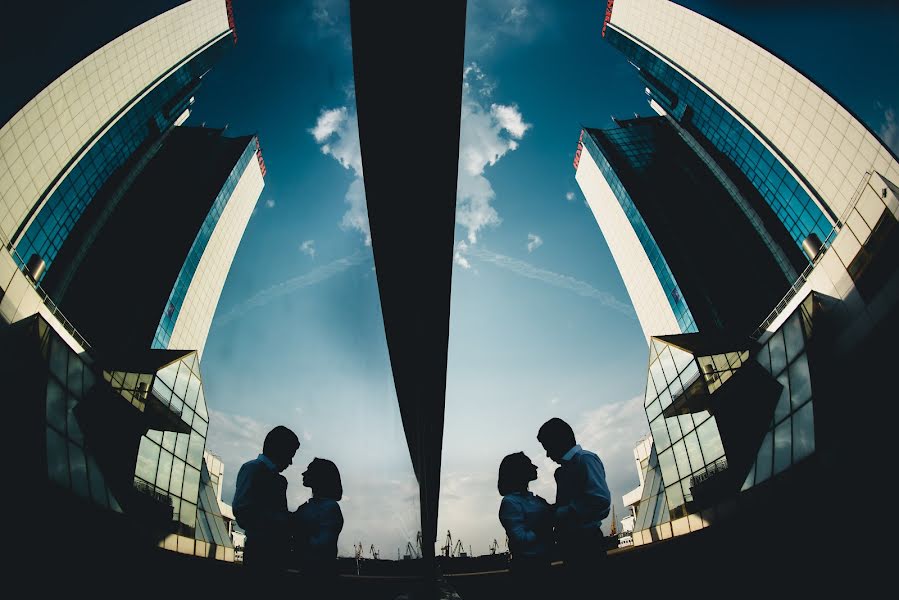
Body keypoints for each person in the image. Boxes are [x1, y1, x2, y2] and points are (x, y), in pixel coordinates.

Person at [537, 418, 611, 592]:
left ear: (558, 441)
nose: (547, 454)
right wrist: (555, 509)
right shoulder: (565, 469)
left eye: (547, 447)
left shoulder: (585, 460)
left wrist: (558, 512)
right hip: (574, 544)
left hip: (586, 545)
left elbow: (600, 501)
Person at [233, 425, 300, 572]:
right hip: (260, 554)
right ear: (279, 450)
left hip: (271, 553)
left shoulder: (275, 478)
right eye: (290, 454)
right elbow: (242, 511)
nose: (290, 462)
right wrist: (284, 520)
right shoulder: (252, 469)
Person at [497, 452, 553, 597]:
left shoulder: (533, 499)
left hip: (543, 563)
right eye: (529, 464)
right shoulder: (510, 502)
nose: (535, 466)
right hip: (528, 569)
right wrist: (544, 528)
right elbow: (520, 538)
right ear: (518, 472)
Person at [293, 458, 344, 584]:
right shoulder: (313, 507)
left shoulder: (330, 508)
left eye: (309, 470)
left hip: (319, 576)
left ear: (320, 477)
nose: (303, 473)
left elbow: (321, 546)